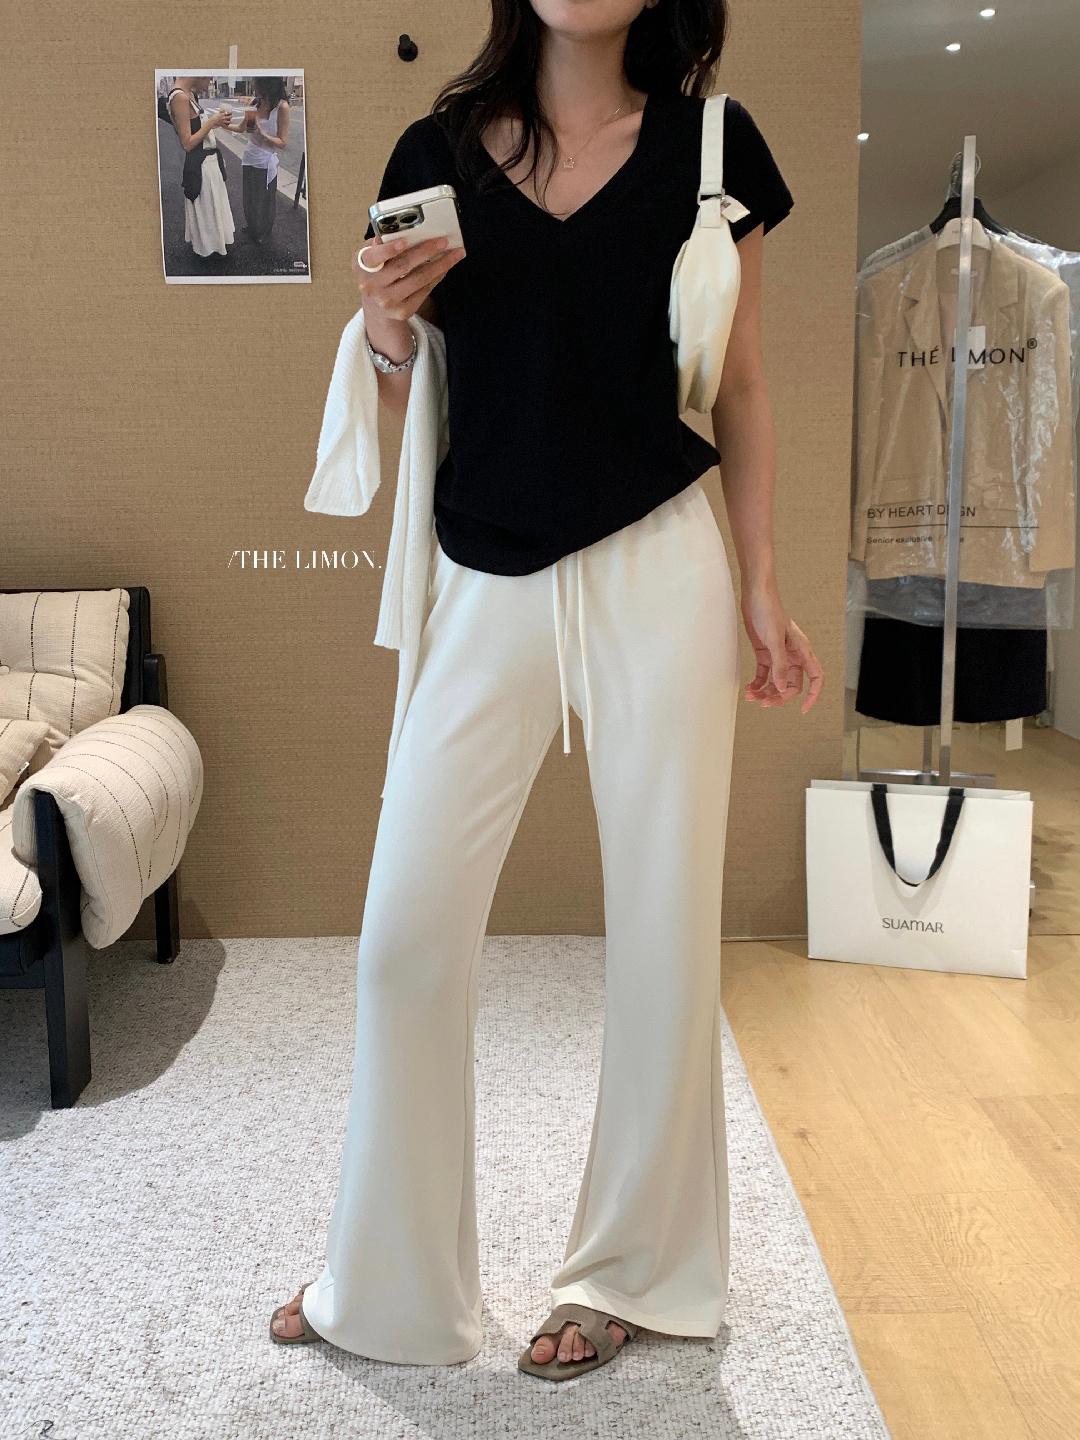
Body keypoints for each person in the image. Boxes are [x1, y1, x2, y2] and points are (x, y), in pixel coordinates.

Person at [272, 0, 823, 1381]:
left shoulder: (712, 148)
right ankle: (386, 1285)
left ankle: (633, 1273)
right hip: (485, 572)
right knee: (404, 941)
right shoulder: (437, 152)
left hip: (662, 566)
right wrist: (383, 330)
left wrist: (762, 583)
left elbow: (742, 390)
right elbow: (409, 394)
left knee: (663, 933)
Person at [165, 77, 235, 259]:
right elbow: (187, 143)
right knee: (208, 211)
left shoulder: (188, 94)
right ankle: (209, 253)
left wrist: (216, 123)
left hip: (207, 162)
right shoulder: (180, 97)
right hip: (201, 165)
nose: (211, 80)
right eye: (209, 76)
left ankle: (211, 248)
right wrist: (212, 122)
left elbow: (197, 131)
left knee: (210, 210)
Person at [233, 76, 290, 245]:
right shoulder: (256, 103)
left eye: (256, 84)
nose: (254, 88)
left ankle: (264, 231)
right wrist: (220, 123)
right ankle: (252, 226)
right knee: (249, 196)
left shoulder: (282, 107)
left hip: (265, 161)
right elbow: (241, 128)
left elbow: (283, 142)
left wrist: (263, 133)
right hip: (249, 157)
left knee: (264, 199)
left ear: (267, 84)